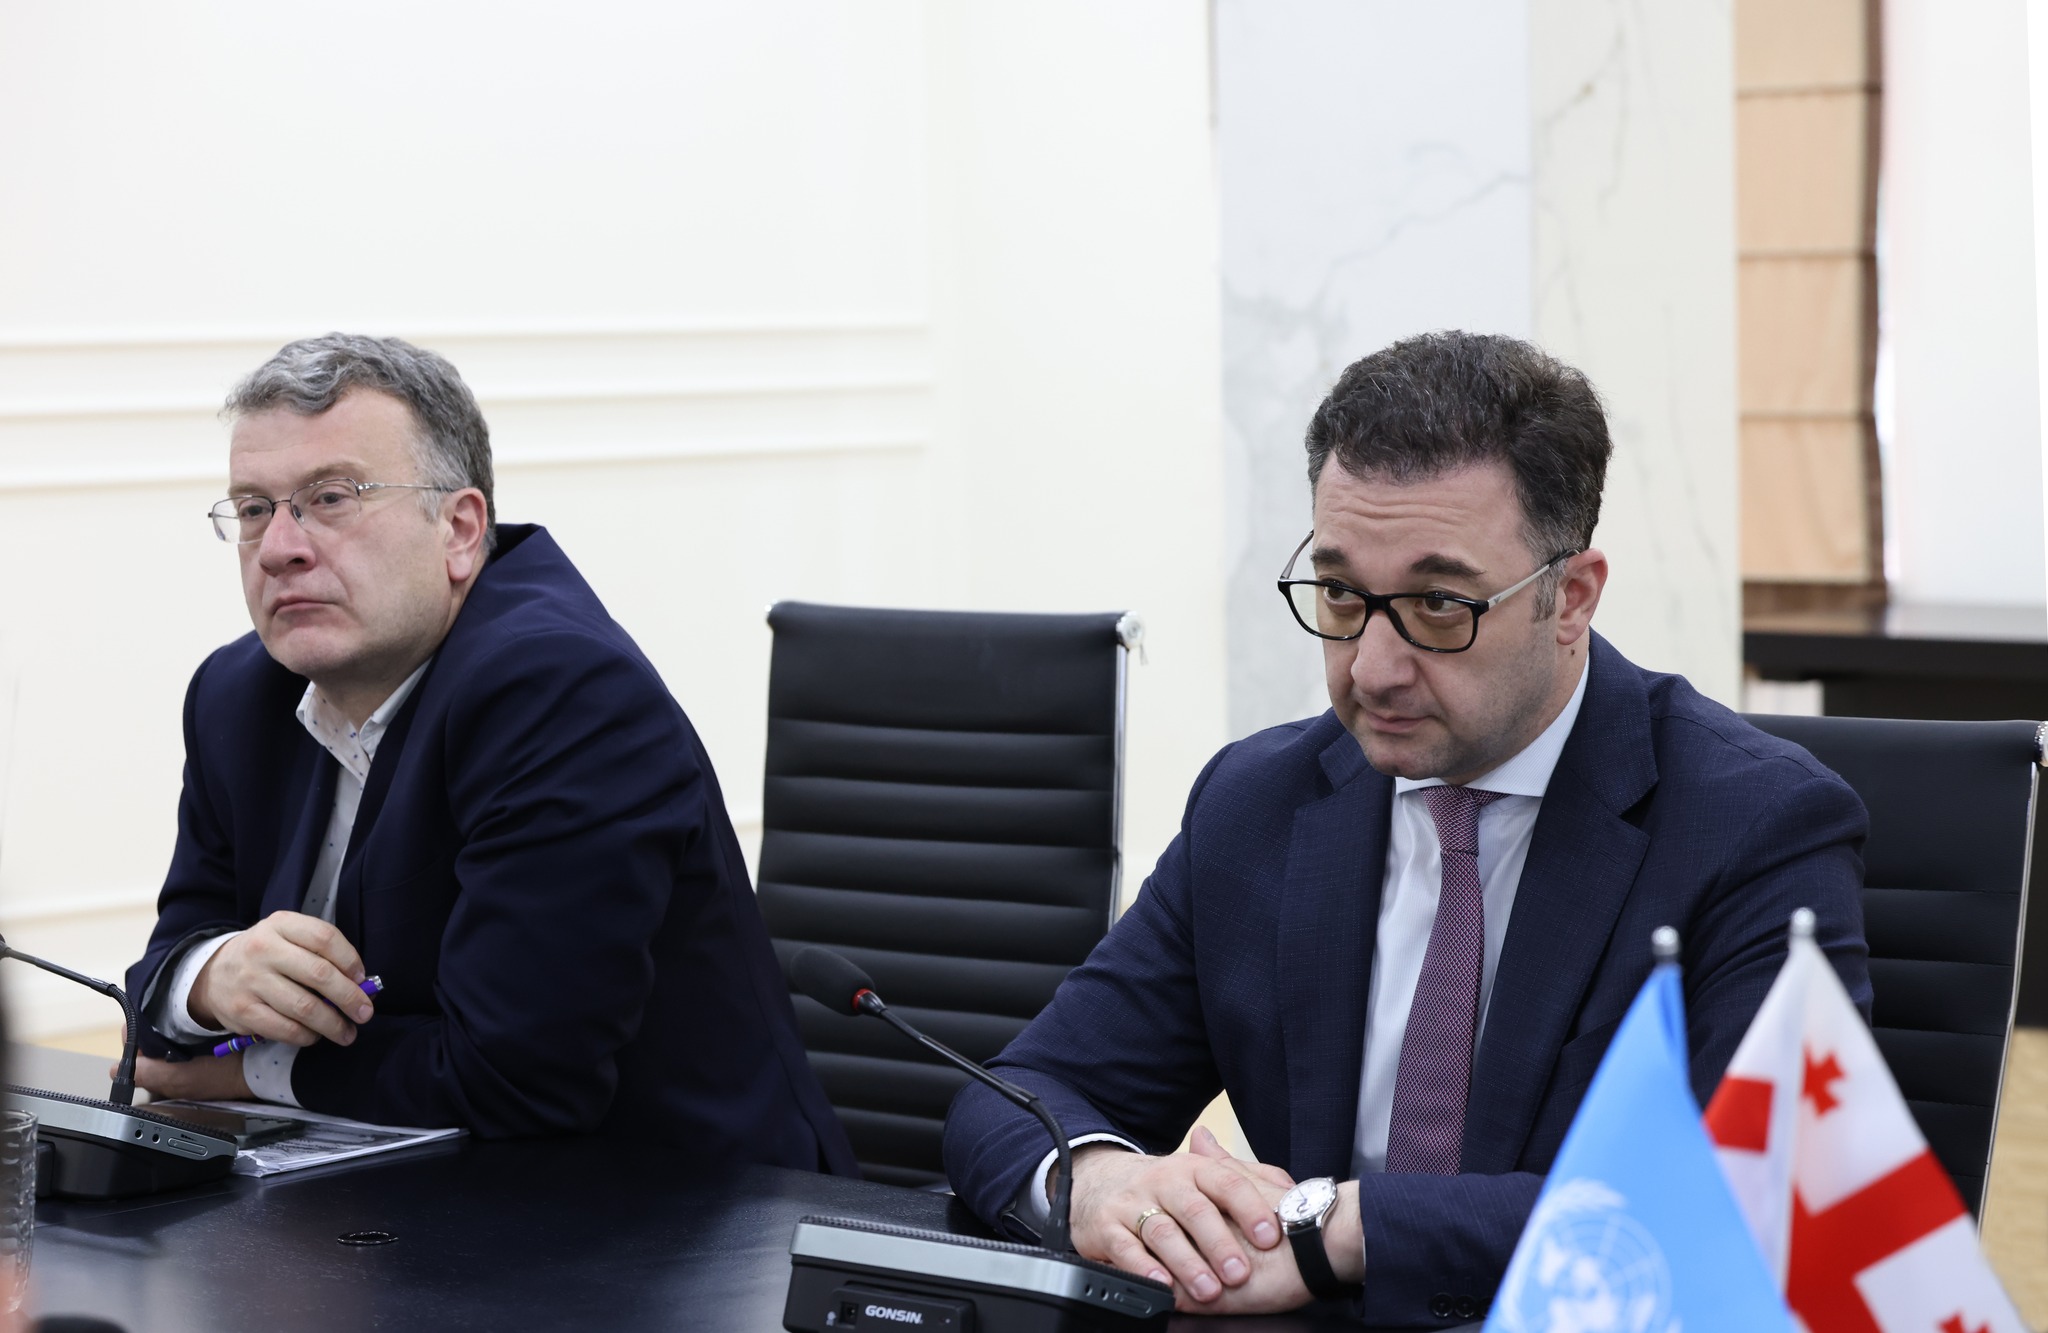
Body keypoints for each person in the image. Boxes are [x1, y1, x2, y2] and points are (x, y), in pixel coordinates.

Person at [942, 331, 1870, 1321]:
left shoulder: (1751, 825)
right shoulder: (1257, 802)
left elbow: (1745, 1199)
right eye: (1342, 593)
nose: (1370, 667)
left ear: (1570, 597)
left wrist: (1341, 1227)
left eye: (1435, 604)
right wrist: (1093, 1177)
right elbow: (1019, 1091)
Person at [123, 333, 853, 1173]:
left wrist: (246, 1072)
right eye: (254, 508)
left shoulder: (562, 693)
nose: (281, 545)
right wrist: (209, 979)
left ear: (460, 529)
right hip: (388, 1199)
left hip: (675, 1210)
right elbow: (154, 993)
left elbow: (515, 1079)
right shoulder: (237, 696)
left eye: (331, 498)